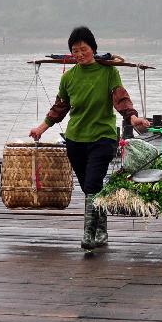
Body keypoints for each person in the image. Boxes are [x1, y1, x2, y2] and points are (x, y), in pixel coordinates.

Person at [30, 26, 150, 250]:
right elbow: (59, 108)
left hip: (102, 137)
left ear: (93, 49)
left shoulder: (108, 72)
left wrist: (132, 118)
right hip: (75, 140)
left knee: (94, 183)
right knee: (89, 188)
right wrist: (41, 128)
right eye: (75, 51)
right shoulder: (69, 78)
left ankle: (88, 235)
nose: (79, 54)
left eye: (83, 49)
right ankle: (102, 230)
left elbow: (121, 98)